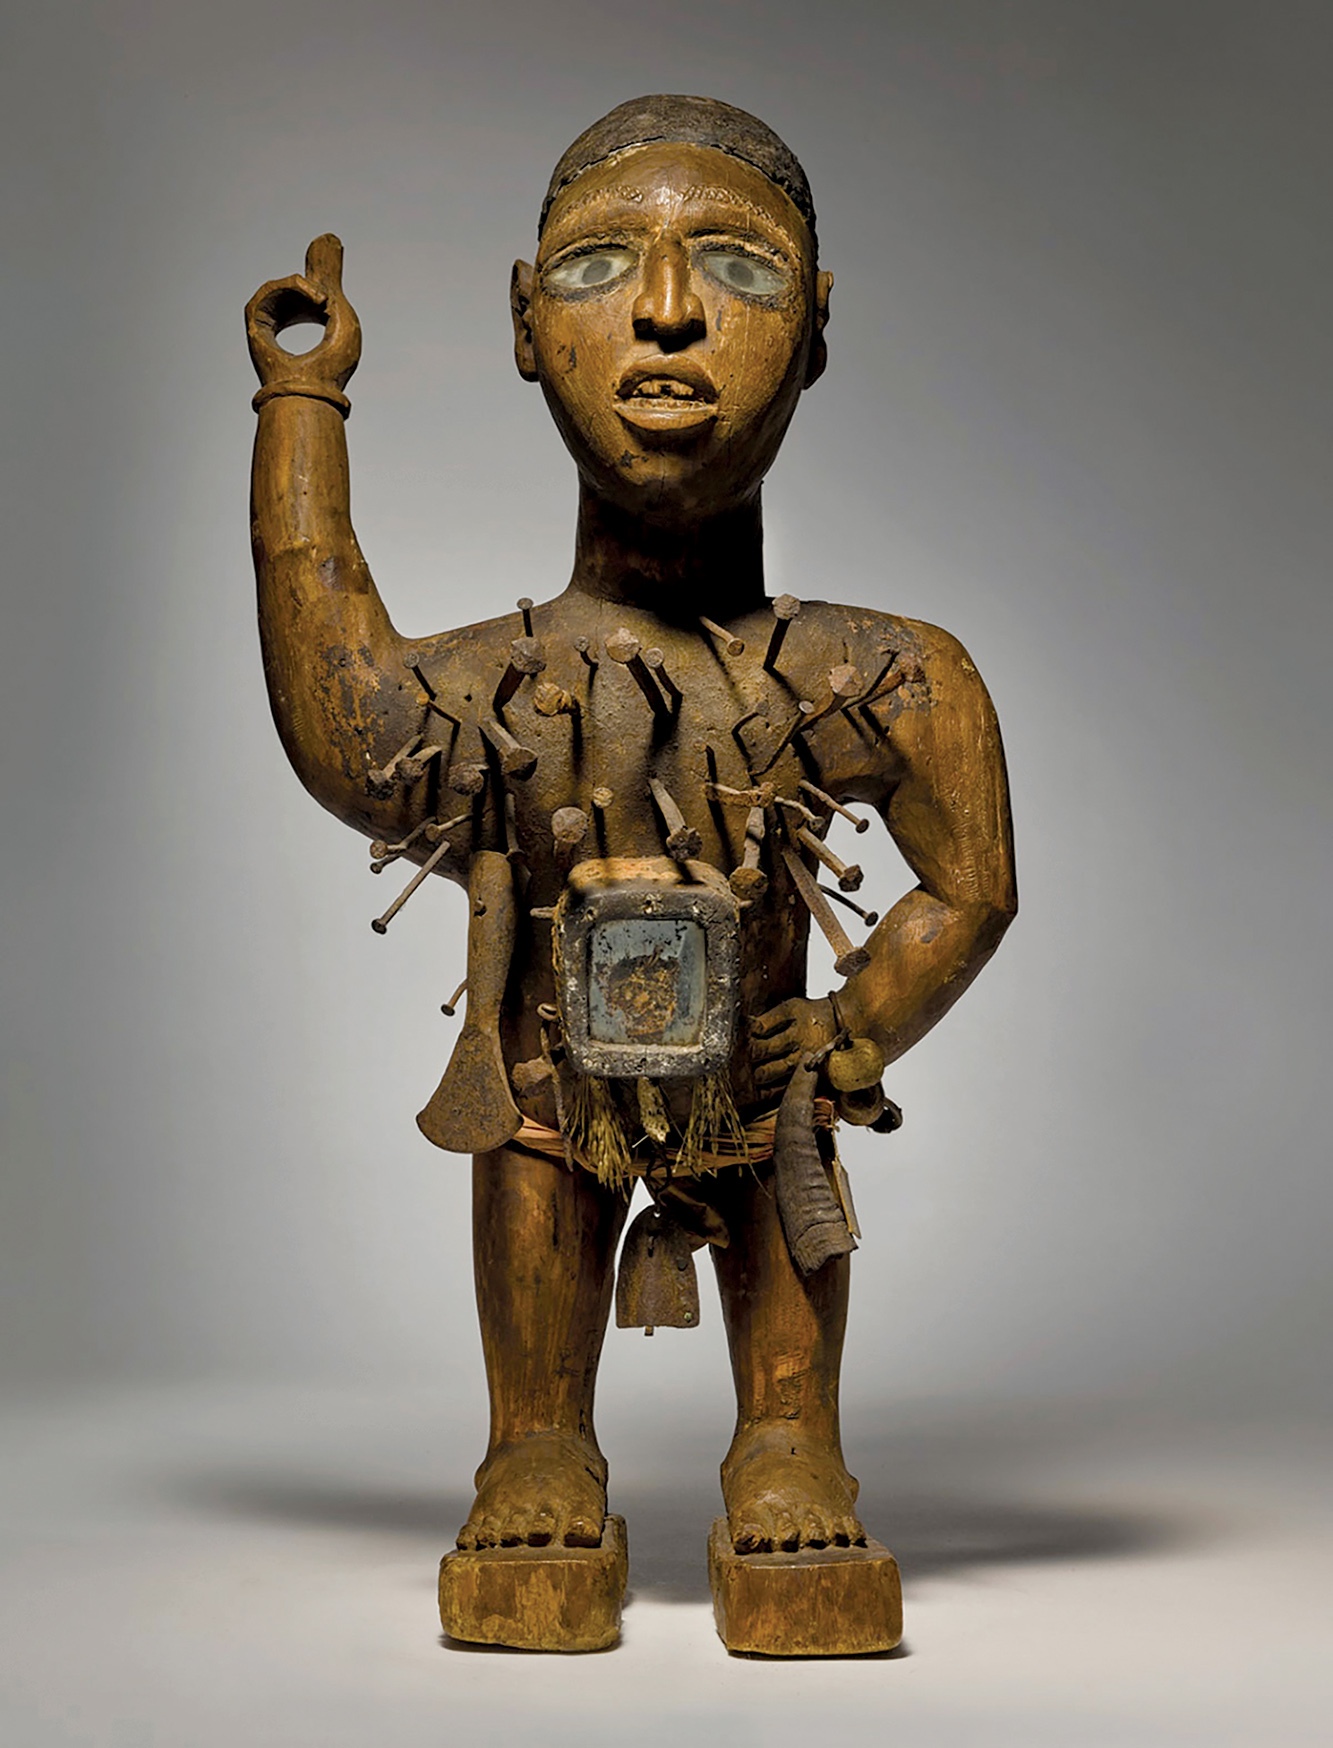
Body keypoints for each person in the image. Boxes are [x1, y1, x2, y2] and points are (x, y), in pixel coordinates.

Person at [246, 95, 1015, 1562]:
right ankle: (537, 1437)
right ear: (526, 324)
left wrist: (848, 1032)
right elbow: (349, 732)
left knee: (778, 1152)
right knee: (536, 1141)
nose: (665, 311)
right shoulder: (497, 686)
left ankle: (787, 1436)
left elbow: (969, 886)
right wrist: (303, 406)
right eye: (600, 266)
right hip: (550, 1085)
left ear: (815, 325)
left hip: (756, 1093)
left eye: (737, 264)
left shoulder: (886, 676)